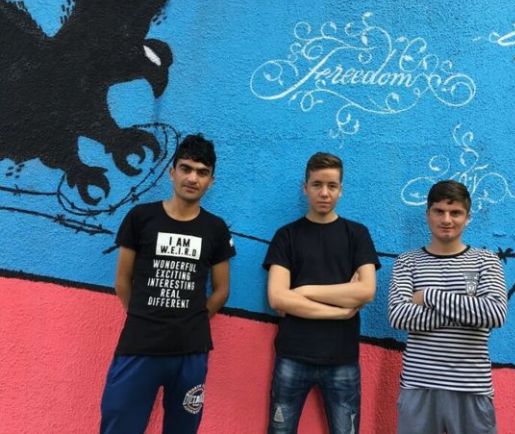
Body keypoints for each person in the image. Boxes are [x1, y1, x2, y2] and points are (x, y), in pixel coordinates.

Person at [100, 134, 236, 434]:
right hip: (139, 345)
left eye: (202, 172)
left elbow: (222, 289)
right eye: (186, 168)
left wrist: (192, 320)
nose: (192, 178)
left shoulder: (215, 228)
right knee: (119, 425)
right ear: (172, 172)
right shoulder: (141, 217)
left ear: (211, 181)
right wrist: (143, 315)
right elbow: (122, 280)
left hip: (190, 351)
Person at [263, 152, 380, 433]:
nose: (324, 193)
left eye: (331, 186)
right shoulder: (286, 236)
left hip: (342, 359)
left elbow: (366, 291)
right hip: (292, 356)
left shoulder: (357, 234)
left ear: (341, 189)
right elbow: (277, 297)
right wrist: (340, 312)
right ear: (305, 188)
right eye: (317, 185)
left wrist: (303, 291)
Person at [388, 180, 507, 434]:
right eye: (439, 211)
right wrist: (468, 312)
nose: (446, 219)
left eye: (455, 213)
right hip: (419, 385)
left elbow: (495, 313)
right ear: (427, 214)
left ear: (467, 217)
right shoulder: (407, 262)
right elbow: (398, 316)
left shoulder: (486, 261)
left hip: (471, 387)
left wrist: (429, 295)